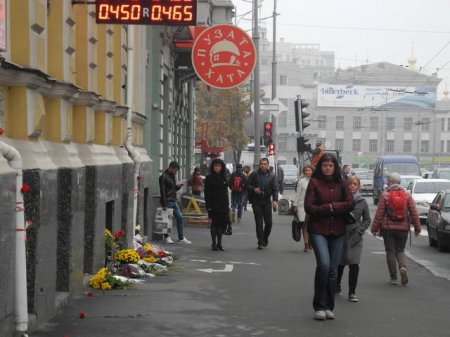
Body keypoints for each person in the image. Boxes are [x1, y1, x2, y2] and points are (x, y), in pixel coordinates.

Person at [304, 153, 354, 320]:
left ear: (335, 167)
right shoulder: (315, 182)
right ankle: (319, 305)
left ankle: (328, 306)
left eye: (330, 165)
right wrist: (328, 209)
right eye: (325, 164)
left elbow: (350, 203)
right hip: (319, 229)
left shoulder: (342, 182)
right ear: (321, 167)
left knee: (333, 270)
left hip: (338, 230)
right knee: (324, 265)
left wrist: (335, 207)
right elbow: (309, 206)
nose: (327, 167)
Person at [370, 172, 421, 285]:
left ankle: (393, 277)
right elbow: (414, 213)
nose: (387, 183)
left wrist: (374, 228)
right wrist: (417, 228)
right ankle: (403, 267)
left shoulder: (385, 195)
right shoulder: (407, 195)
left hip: (388, 229)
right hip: (403, 229)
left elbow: (379, 214)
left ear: (392, 182)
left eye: (388, 181)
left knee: (390, 251)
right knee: (400, 250)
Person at [336, 175, 371, 302]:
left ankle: (352, 292)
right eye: (350, 184)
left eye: (355, 184)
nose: (352, 186)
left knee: (354, 264)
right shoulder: (341, 199)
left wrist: (359, 232)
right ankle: (337, 285)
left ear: (358, 186)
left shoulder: (362, 201)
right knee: (339, 263)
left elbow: (367, 219)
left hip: (355, 237)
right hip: (341, 234)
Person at [246, 158, 279, 250]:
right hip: (256, 201)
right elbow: (246, 185)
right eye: (261, 164)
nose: (263, 165)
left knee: (269, 223)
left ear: (268, 165)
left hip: (266, 200)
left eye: (265, 164)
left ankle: (265, 237)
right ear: (259, 165)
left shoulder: (272, 175)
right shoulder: (254, 174)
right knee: (259, 222)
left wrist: (275, 200)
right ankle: (260, 242)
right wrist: (254, 189)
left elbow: (275, 188)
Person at [159, 161, 192, 244]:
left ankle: (181, 238)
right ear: (170, 168)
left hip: (173, 200)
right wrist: (164, 204)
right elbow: (162, 191)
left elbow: (172, 189)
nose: (176, 172)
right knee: (167, 220)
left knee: (180, 218)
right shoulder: (163, 177)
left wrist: (178, 187)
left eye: (176, 171)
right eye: (175, 170)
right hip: (167, 201)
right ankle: (167, 237)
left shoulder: (172, 176)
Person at [204, 158, 230, 251]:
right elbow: (207, 193)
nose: (217, 168)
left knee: (221, 225)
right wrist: (208, 206)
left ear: (222, 167)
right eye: (215, 166)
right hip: (213, 204)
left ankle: (219, 243)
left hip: (223, 205)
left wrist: (227, 205)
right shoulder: (209, 177)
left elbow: (226, 192)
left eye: (219, 166)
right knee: (214, 224)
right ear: (213, 167)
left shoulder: (224, 177)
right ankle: (214, 243)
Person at [293, 165, 314, 252]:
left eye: (309, 170)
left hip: (313, 206)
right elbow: (298, 194)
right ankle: (305, 244)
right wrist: (295, 205)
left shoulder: (316, 181)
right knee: (304, 225)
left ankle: (310, 241)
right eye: (306, 170)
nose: (307, 172)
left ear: (312, 171)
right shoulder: (301, 181)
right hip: (302, 206)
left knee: (311, 225)